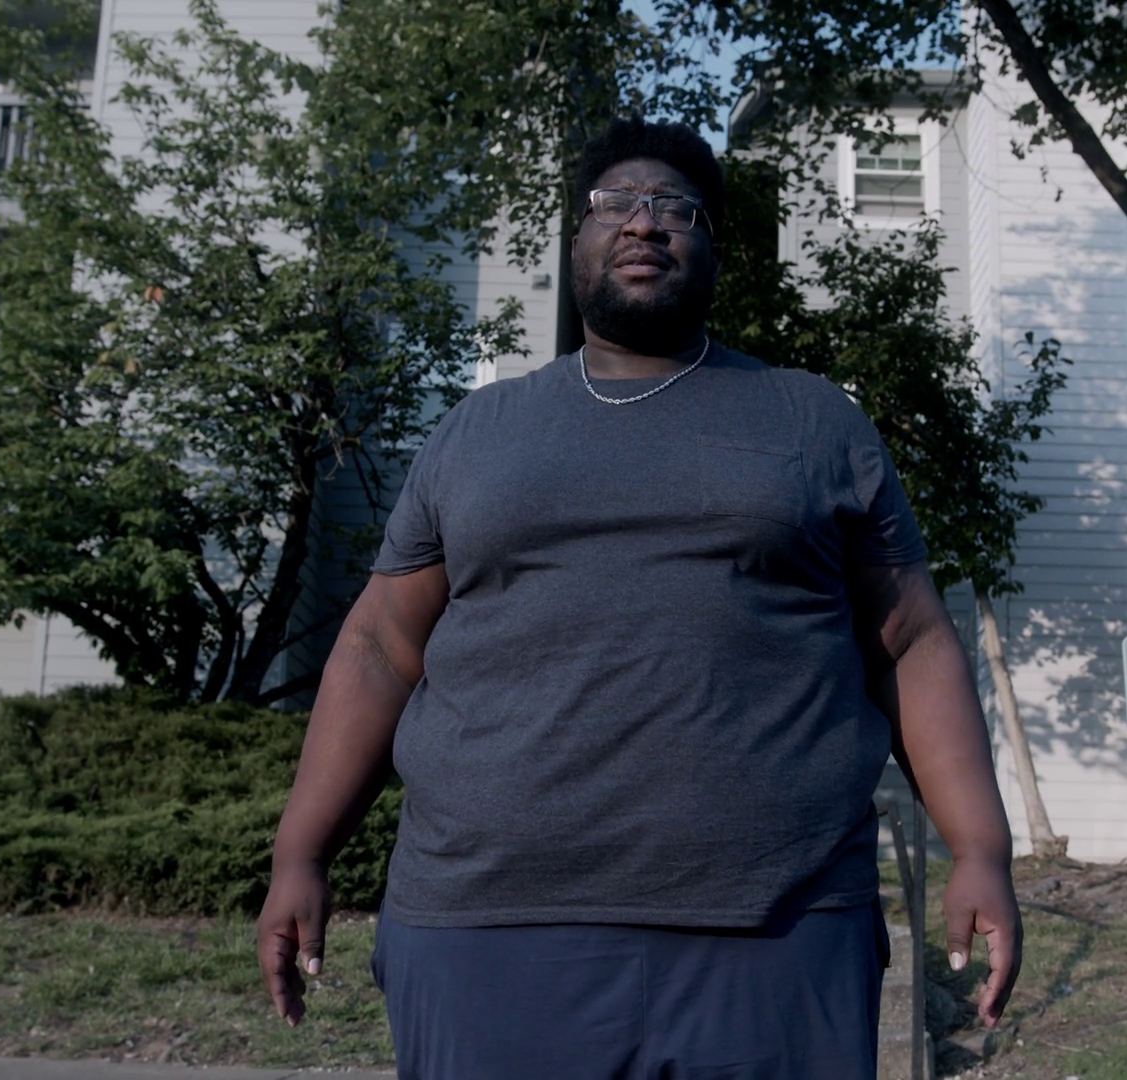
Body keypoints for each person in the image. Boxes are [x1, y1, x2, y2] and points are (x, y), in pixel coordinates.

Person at [256, 116, 1021, 1079]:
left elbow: (910, 642)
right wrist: (301, 854)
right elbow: (378, 647)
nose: (644, 221)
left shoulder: (813, 421)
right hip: (486, 933)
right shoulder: (477, 430)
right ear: (575, 240)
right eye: (614, 202)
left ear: (714, 248)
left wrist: (979, 848)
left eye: (675, 208)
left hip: (776, 936)